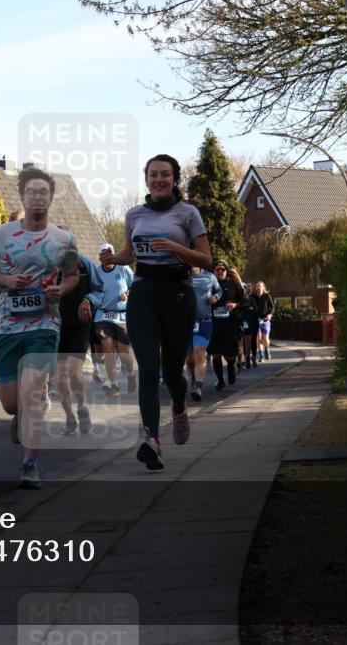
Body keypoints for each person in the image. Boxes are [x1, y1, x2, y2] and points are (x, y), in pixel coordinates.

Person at [101, 154, 211, 471]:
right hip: (144, 293)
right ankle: (152, 440)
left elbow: (205, 259)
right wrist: (113, 259)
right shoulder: (134, 215)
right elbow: (130, 253)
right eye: (153, 175)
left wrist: (176, 248)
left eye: (165, 174)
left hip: (178, 293)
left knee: (173, 370)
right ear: (146, 179)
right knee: (149, 368)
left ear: (175, 180)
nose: (159, 179)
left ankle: (178, 406)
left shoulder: (188, 213)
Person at [0, 168, 80, 489]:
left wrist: (61, 291)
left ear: (50, 197)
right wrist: (5, 280)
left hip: (45, 323)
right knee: (11, 403)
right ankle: (19, 414)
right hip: (6, 324)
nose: (37, 197)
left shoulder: (64, 239)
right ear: (22, 197)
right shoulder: (0, 235)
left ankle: (30, 464)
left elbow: (73, 276)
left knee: (33, 393)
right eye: (31, 192)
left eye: (42, 192)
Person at [55, 247, 103, 435]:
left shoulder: (84, 263)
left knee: (74, 373)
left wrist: (88, 300)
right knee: (59, 377)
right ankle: (69, 417)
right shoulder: (46, 264)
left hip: (79, 325)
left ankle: (82, 408)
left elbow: (99, 290)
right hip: (55, 326)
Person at [86, 243, 136, 396]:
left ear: (113, 255)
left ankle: (130, 373)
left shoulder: (123, 269)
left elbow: (135, 286)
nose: (107, 258)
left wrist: (127, 293)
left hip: (121, 315)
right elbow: (92, 290)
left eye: (109, 254)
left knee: (123, 353)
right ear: (100, 257)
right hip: (103, 315)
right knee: (107, 346)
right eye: (104, 255)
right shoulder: (96, 272)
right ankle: (113, 384)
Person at [185, 265, 222, 401]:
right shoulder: (182, 276)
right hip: (185, 323)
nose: (192, 265)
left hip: (204, 322)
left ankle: (198, 387)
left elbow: (219, 290)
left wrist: (215, 297)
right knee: (189, 358)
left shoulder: (209, 276)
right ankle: (194, 377)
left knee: (199, 352)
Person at [209, 260, 244, 391]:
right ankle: (220, 380)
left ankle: (231, 368)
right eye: (217, 269)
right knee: (215, 354)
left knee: (230, 356)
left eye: (222, 269)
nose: (219, 272)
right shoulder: (209, 285)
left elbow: (244, 300)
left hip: (230, 325)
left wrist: (235, 305)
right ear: (213, 271)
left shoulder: (233, 284)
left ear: (226, 271)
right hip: (213, 325)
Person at [239, 281, 260, 369]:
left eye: (249, 286)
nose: (247, 288)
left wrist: (251, 308)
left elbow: (257, 309)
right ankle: (245, 358)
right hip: (244, 321)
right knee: (244, 340)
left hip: (253, 321)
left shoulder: (254, 297)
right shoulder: (239, 298)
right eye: (245, 287)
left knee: (253, 340)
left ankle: (253, 357)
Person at [253, 281, 275, 360]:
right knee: (258, 338)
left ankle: (267, 349)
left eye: (260, 286)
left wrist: (269, 315)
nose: (258, 288)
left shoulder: (267, 296)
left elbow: (272, 308)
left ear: (263, 287)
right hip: (256, 320)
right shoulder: (253, 297)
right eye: (257, 286)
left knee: (265, 338)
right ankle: (261, 355)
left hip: (265, 320)